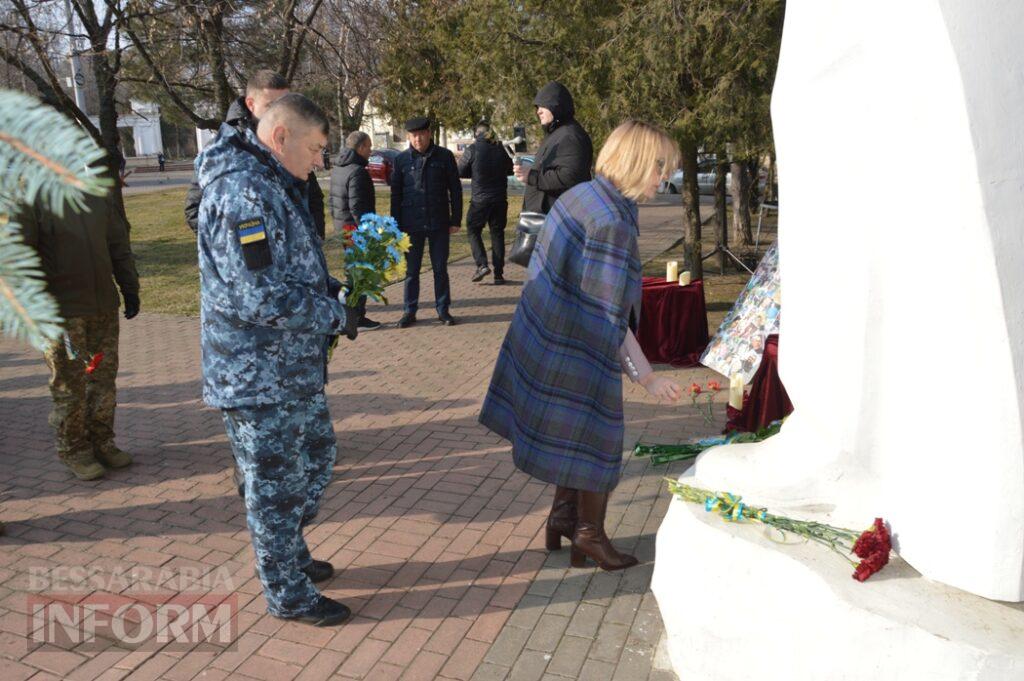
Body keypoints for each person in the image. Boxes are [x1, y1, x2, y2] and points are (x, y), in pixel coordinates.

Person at [480, 120, 683, 571]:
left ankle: (564, 519)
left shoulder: (584, 194)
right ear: (633, 162)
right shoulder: (610, 219)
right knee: (598, 440)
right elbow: (607, 313)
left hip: (548, 334)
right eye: (658, 167)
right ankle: (588, 534)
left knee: (576, 436)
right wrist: (646, 375)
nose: (661, 179)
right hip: (576, 346)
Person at [195, 93, 359, 627]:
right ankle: (287, 591)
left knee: (316, 456)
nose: (320, 161)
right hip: (255, 375)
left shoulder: (271, 183)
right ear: (281, 136)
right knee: (274, 486)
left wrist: (333, 292)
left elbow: (287, 269)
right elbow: (257, 297)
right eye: (315, 149)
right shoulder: (242, 192)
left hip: (287, 369)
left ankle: (289, 552)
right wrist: (334, 316)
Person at [18, 179, 140, 481]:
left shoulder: (96, 193)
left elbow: (117, 245)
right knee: (70, 386)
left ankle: (102, 443)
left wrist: (129, 286)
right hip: (62, 314)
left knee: (103, 379)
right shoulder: (30, 195)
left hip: (102, 309)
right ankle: (74, 450)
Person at [185, 70, 326, 240]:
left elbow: (313, 197)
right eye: (270, 105)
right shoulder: (221, 150)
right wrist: (234, 247)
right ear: (251, 104)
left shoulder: (292, 141)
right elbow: (195, 209)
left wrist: (315, 237)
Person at [391, 117, 462, 327]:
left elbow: (455, 190)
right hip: (411, 224)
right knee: (411, 271)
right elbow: (396, 195)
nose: (417, 139)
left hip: (439, 222)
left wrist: (455, 219)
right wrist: (395, 226)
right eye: (413, 135)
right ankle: (409, 311)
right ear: (408, 137)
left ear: (429, 133)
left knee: (440, 268)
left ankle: (443, 309)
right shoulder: (401, 160)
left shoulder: (444, 157)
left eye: (421, 134)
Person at [514, 81, 594, 215]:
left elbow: (570, 177)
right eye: (537, 107)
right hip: (544, 219)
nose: (538, 111)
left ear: (556, 105)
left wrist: (532, 176)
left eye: (543, 106)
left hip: (557, 221)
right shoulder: (555, 134)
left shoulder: (570, 136)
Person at [330, 130, 380, 329]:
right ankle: (355, 317)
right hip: (356, 229)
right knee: (361, 274)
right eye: (368, 146)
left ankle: (351, 314)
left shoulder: (339, 168)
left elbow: (334, 202)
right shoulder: (357, 171)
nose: (370, 150)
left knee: (354, 273)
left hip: (343, 227)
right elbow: (358, 207)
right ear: (360, 148)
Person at [459, 121, 514, 284]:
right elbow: (510, 169)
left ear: (476, 133)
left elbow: (460, 171)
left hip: (480, 200)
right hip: (499, 199)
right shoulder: (501, 149)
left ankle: (482, 264)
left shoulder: (472, 150)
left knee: (472, 229)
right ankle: (499, 273)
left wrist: (474, 173)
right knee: (497, 234)